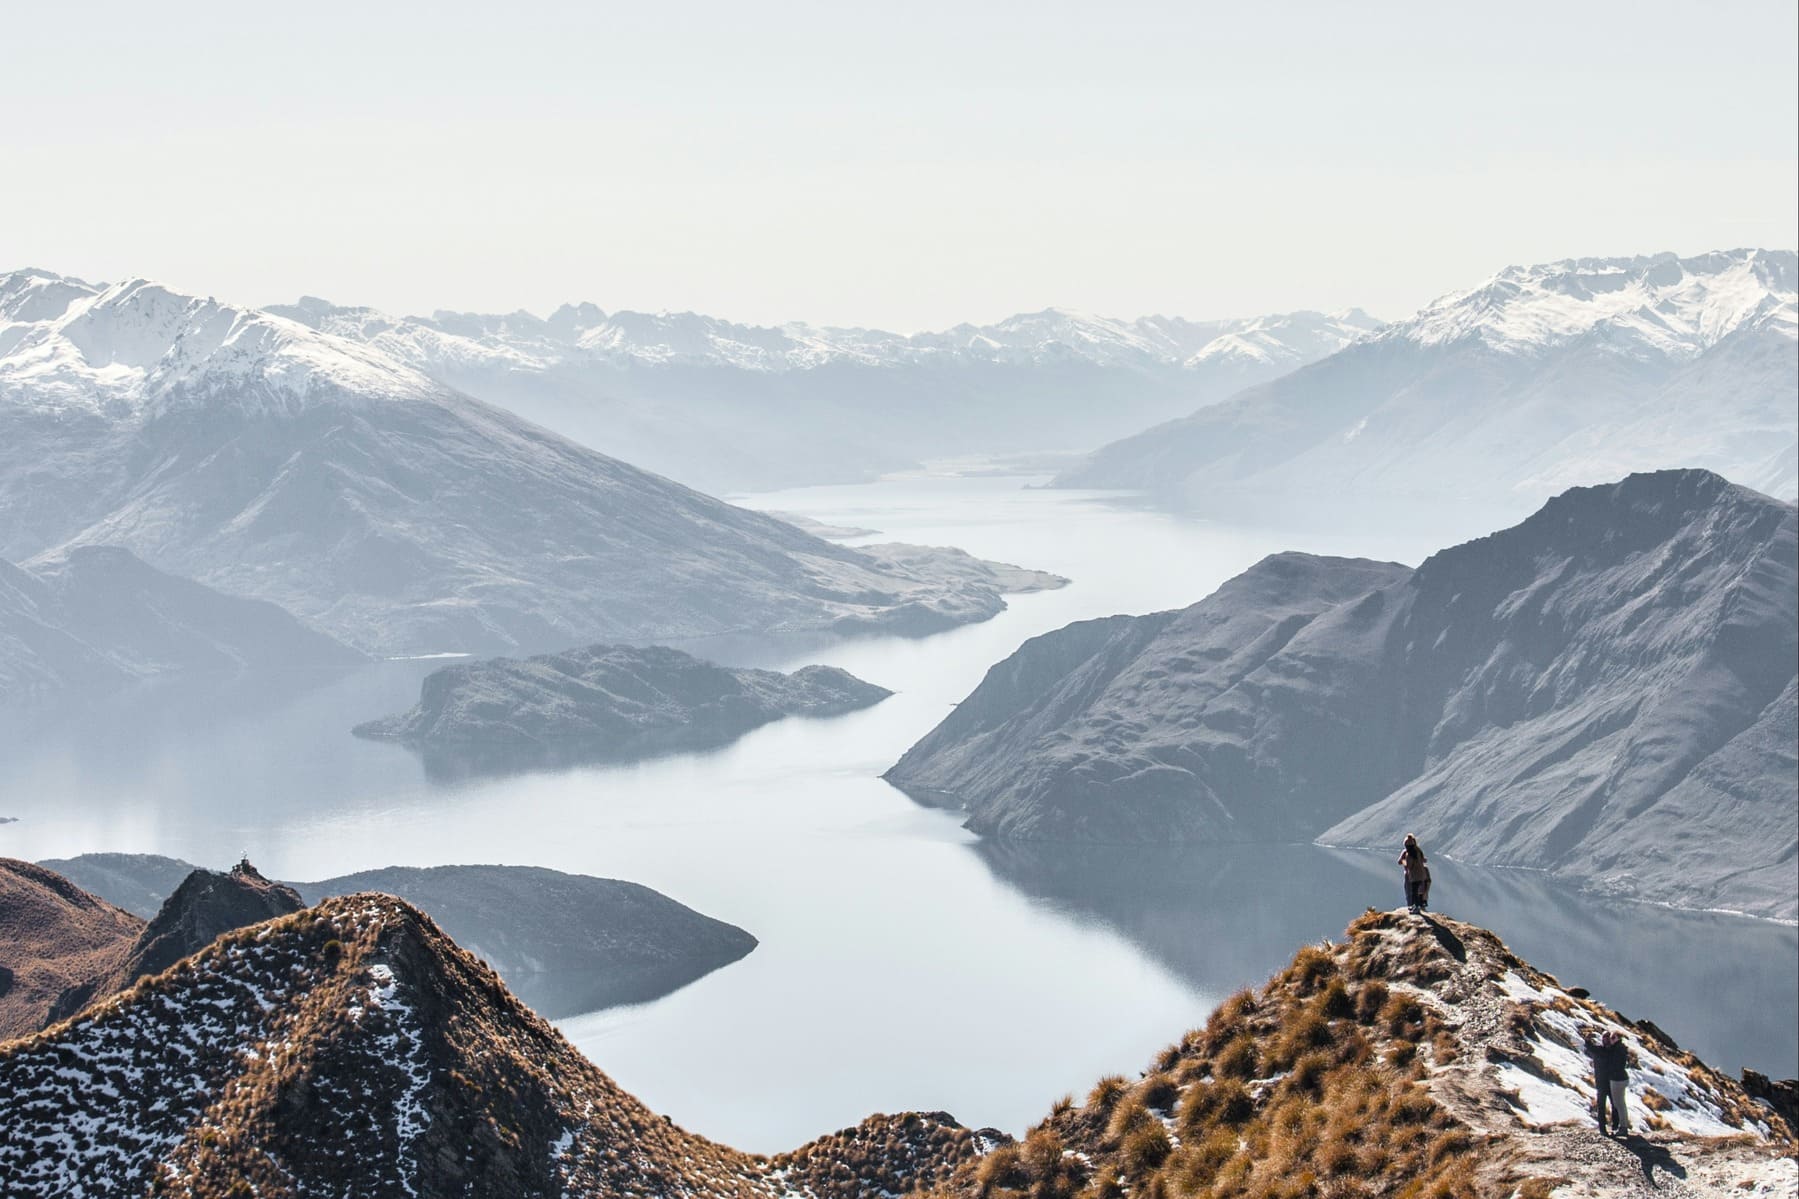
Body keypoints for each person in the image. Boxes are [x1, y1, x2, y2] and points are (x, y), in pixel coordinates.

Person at [1583, 1029, 1631, 1135]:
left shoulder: (1612, 1050)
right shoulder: (1601, 1050)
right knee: (1602, 1106)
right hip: (1603, 1083)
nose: (1606, 1040)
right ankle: (1603, 1128)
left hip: (1611, 1082)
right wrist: (1587, 1040)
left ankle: (1615, 1126)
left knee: (1615, 1105)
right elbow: (1589, 1047)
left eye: (1608, 1038)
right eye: (1604, 1038)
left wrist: (1587, 1041)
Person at [1398, 834, 1431, 913]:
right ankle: (1420, 905)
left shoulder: (1408, 854)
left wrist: (1404, 861)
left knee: (1413, 892)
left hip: (1412, 875)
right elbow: (1424, 860)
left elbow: (1408, 865)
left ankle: (1415, 906)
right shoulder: (1419, 851)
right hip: (1421, 874)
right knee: (1420, 891)